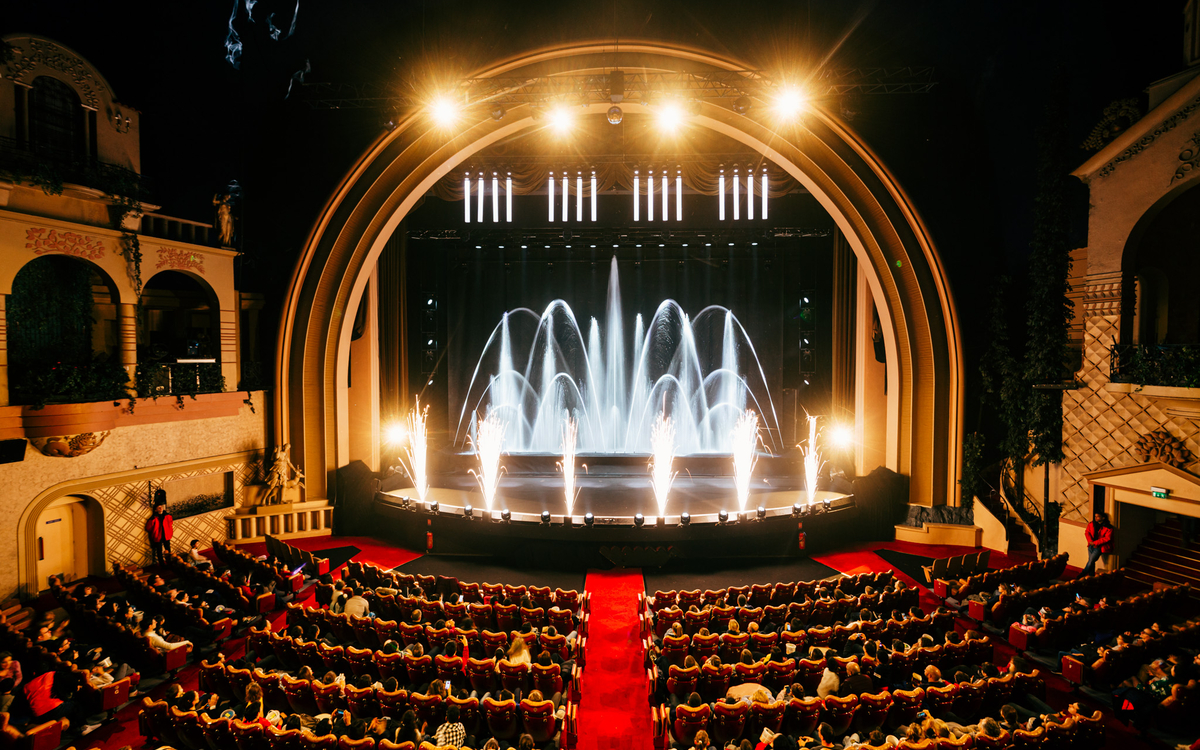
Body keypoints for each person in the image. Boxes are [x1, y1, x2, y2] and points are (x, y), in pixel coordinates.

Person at [1081, 512, 1113, 576]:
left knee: (1091, 561)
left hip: (1099, 547)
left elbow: (1107, 538)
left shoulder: (1108, 527)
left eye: (1098, 516)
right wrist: (1090, 541)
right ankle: (1091, 576)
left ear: (1103, 518)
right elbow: (1087, 532)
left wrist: (1095, 543)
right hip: (1091, 545)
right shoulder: (1092, 524)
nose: (1096, 518)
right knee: (1091, 561)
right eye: (1095, 516)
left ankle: (1081, 575)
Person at [145, 495, 174, 566]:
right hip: (158, 536)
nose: (160, 508)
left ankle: (169, 562)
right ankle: (162, 564)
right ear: (156, 510)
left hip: (166, 535)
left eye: (161, 507)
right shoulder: (153, 518)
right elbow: (148, 528)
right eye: (159, 507)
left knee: (168, 550)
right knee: (159, 552)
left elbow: (170, 523)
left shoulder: (167, 516)